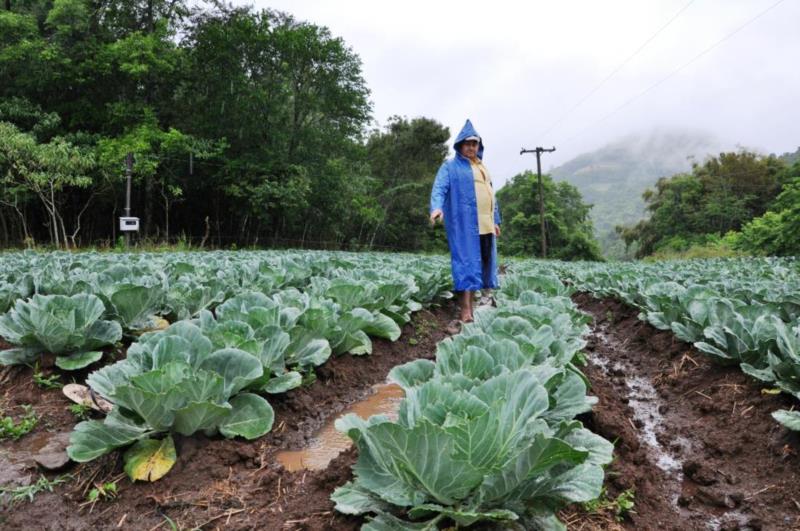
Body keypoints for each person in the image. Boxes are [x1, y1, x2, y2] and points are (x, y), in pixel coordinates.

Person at [429, 119, 501, 327]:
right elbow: (439, 188)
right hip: (465, 225)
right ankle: (466, 310)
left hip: (486, 224)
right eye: (467, 143)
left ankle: (483, 299)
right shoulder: (450, 167)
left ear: (479, 146)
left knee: (484, 263)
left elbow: (491, 195)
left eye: (474, 143)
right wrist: (436, 207)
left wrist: (495, 220)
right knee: (466, 264)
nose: (471, 147)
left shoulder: (482, 167)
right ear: (460, 145)